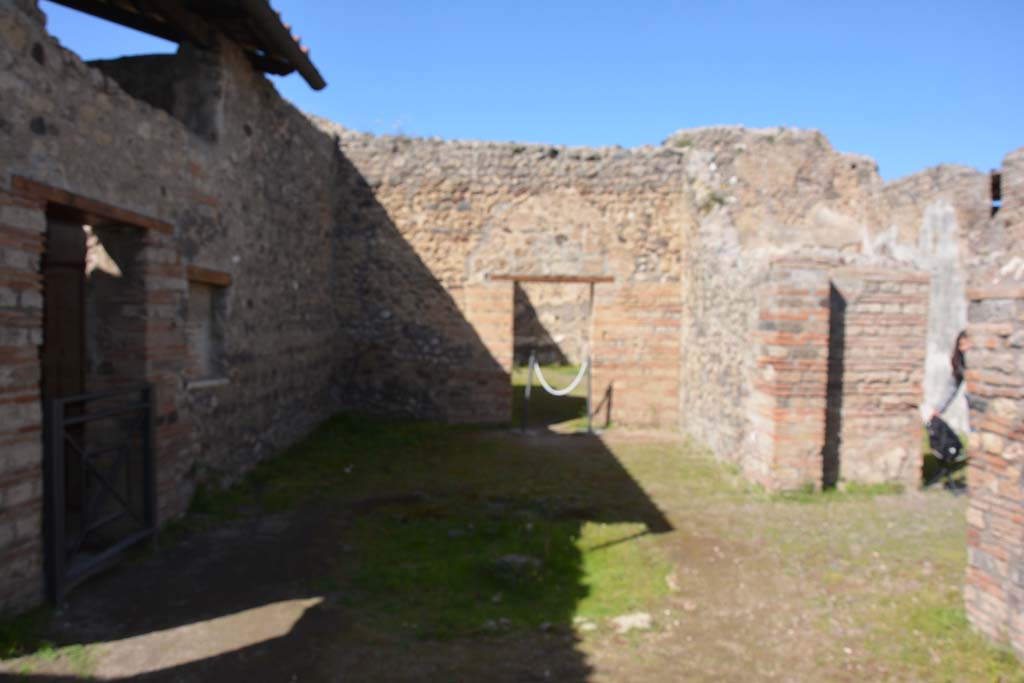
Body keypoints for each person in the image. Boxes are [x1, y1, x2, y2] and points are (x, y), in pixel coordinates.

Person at [930, 330, 969, 421]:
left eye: (965, 344)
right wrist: (938, 409)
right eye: (960, 345)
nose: (962, 348)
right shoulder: (959, 363)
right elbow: (952, 387)